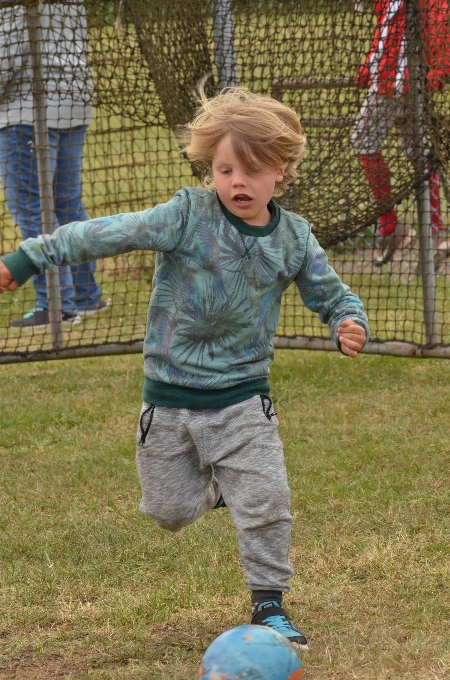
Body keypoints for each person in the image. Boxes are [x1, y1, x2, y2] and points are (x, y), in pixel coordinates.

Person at [0, 87, 369, 650]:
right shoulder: (186, 216)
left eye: (252, 170)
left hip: (245, 396)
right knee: (167, 511)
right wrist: (31, 256)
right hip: (169, 400)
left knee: (267, 501)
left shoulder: (293, 239)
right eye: (224, 169)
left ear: (282, 172)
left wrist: (348, 320)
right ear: (209, 167)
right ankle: (222, 489)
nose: (237, 183)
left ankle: (269, 602)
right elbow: (104, 232)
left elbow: (331, 294)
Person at [0, 0, 105, 327]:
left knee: (32, 206)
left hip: (27, 106)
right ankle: (86, 295)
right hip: (73, 99)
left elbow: (10, 50)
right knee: (66, 203)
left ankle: (56, 305)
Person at [352, 0, 450, 265]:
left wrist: (440, 68)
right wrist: (369, 66)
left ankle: (391, 226)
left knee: (363, 142)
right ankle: (435, 230)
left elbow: (439, 22)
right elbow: (386, 34)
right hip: (397, 79)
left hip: (394, 84)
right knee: (417, 151)